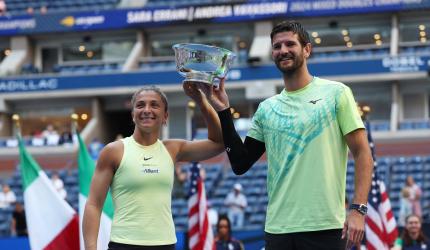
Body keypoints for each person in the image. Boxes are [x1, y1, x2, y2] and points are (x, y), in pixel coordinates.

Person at [204, 20, 374, 250]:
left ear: (307, 49)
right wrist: (224, 110)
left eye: (289, 44)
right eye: (277, 46)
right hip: (278, 230)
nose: (283, 50)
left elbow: (363, 153)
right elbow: (240, 163)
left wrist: (358, 209)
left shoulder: (336, 93)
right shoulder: (267, 109)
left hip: (324, 227)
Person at [83, 84, 224, 250]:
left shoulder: (173, 149)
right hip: (124, 244)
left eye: (154, 105)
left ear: (165, 116)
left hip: (165, 244)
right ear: (133, 115)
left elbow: (219, 143)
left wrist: (201, 100)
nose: (147, 110)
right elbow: (93, 204)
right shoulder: (114, 151)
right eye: (140, 105)